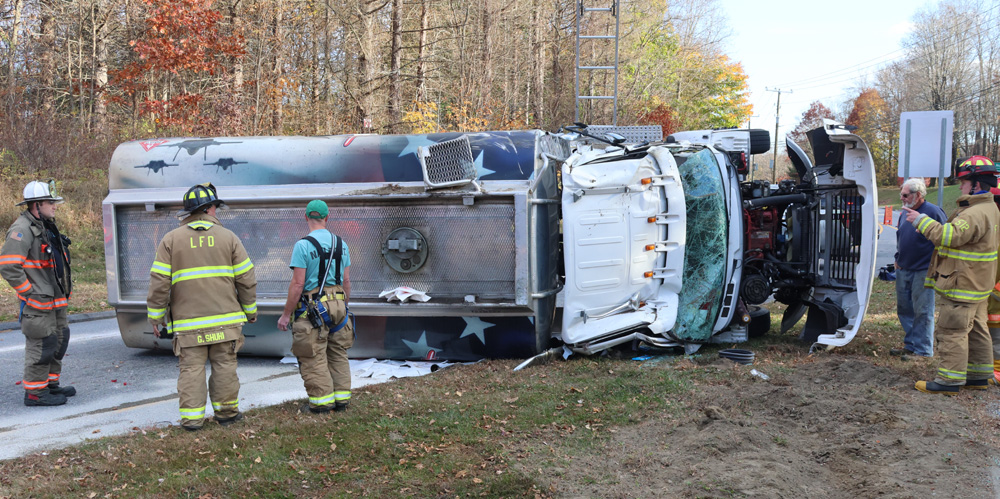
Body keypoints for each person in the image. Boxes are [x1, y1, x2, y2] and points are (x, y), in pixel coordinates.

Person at [147, 183, 257, 430]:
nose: (217, 211)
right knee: (225, 366)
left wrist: (156, 318)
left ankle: (192, 420)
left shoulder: (170, 240)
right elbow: (246, 279)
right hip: (225, 324)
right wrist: (250, 312)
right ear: (208, 209)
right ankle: (227, 414)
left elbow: (159, 283)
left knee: (191, 370)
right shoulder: (229, 238)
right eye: (216, 207)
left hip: (189, 326)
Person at [903, 156, 1000, 394]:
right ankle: (978, 375)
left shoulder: (975, 213)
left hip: (963, 282)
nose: (961, 186)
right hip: (978, 283)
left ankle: (949, 381)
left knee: (952, 331)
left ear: (977, 184)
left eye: (964, 182)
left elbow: (950, 236)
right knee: (977, 329)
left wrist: (921, 221)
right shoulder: (990, 209)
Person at [0, 180, 74, 406]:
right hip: (38, 302)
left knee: (59, 340)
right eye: (50, 202)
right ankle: (35, 393)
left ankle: (50, 385)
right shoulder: (21, 229)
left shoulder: (45, 225)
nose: (54, 206)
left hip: (55, 299)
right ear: (37, 204)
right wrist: (29, 293)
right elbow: (8, 266)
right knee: (42, 345)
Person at [277, 200, 354, 414]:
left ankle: (322, 403)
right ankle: (342, 400)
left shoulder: (302, 245)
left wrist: (286, 314)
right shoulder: (342, 244)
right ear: (327, 218)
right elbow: (346, 281)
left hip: (312, 308)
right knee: (338, 352)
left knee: (313, 356)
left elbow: (298, 284)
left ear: (306, 218)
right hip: (339, 303)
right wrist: (344, 307)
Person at [891, 178, 946, 358]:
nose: (902, 198)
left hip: (923, 270)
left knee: (922, 310)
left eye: (905, 195)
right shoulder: (905, 213)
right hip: (904, 269)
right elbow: (901, 237)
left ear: (918, 195)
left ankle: (923, 350)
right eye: (901, 194)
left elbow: (944, 238)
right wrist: (898, 258)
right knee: (905, 309)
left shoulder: (933, 212)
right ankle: (911, 344)